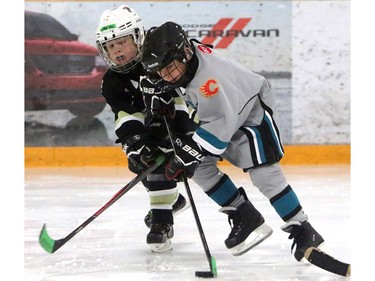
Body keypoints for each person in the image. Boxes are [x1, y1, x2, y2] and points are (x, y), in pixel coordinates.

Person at [140, 21, 325, 261]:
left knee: (264, 174)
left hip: (252, 113)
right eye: (160, 71)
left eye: (169, 69)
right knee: (200, 168)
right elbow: (175, 79)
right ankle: (244, 215)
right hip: (226, 111)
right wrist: (161, 90)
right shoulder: (185, 58)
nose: (165, 76)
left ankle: (303, 230)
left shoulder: (210, 82)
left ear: (184, 53)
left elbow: (219, 129)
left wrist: (184, 155)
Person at [95, 6, 193, 252]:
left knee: (160, 166)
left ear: (138, 38)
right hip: (150, 124)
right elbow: (125, 113)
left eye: (122, 43)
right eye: (110, 46)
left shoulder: (157, 59)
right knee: (142, 162)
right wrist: (134, 143)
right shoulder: (111, 81)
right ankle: (171, 202)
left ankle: (161, 223)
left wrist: (181, 129)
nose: (116, 50)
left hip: (179, 120)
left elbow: (181, 98)